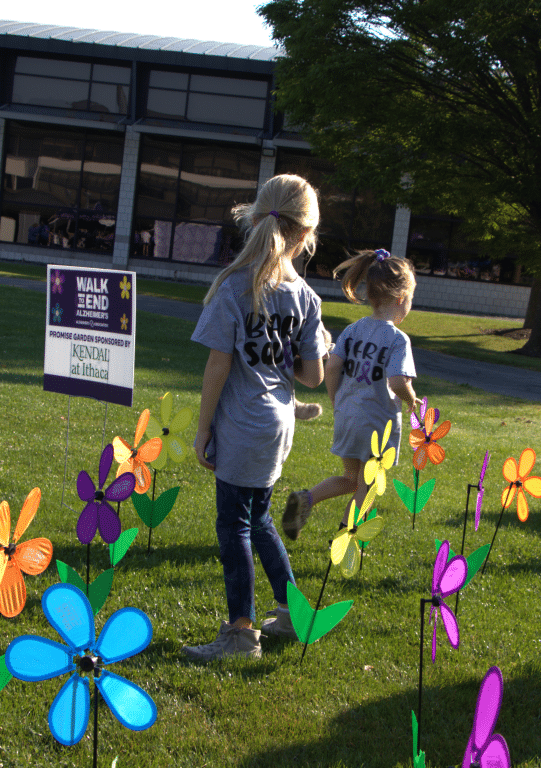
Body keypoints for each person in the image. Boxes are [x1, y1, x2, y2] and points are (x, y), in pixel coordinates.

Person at [184, 174, 326, 661]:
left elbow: (217, 364)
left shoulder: (232, 286)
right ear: (306, 235)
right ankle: (292, 612)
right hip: (278, 428)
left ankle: (241, 635)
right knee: (260, 518)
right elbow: (313, 377)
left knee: (234, 528)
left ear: (255, 219)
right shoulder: (306, 296)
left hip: (243, 426)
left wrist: (203, 429)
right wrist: (318, 346)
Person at [282, 248, 419, 541]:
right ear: (400, 299)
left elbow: (332, 366)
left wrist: (337, 400)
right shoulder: (397, 339)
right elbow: (396, 382)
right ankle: (346, 538)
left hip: (348, 415)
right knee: (367, 486)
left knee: (349, 478)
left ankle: (306, 499)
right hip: (377, 423)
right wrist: (412, 401)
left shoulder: (353, 330)